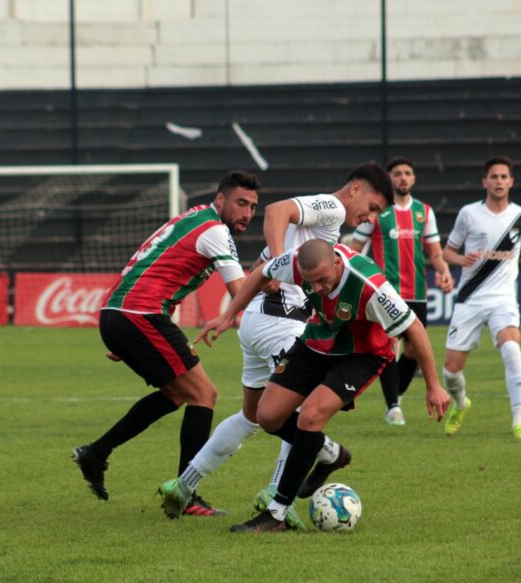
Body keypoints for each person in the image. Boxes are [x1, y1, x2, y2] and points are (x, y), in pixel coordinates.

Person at [159, 163, 393, 524]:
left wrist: (272, 262)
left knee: (253, 415)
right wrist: (281, 256)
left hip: (254, 320)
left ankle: (183, 484)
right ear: (356, 189)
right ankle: (280, 494)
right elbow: (276, 210)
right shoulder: (331, 208)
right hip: (281, 323)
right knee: (298, 413)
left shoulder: (321, 226)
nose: (370, 218)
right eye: (373, 207)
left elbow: (265, 261)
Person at [197, 239, 450, 532]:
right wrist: (229, 315)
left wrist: (433, 385)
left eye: (322, 280)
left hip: (363, 354)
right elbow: (260, 272)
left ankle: (277, 514)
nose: (316, 288)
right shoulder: (296, 262)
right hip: (318, 341)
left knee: (310, 416)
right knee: (267, 416)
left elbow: (414, 328)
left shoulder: (370, 286)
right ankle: (329, 453)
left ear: (337, 264)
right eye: (309, 282)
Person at [71, 171, 259, 516]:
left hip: (121, 312)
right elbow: (241, 291)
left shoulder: (192, 219)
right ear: (221, 200)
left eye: (252, 207)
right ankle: (185, 494)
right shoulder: (215, 230)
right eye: (240, 203)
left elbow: (152, 267)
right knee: (204, 394)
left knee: (177, 394)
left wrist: (121, 332)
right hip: (138, 314)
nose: (246, 213)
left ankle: (96, 453)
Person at [441, 157, 521, 441]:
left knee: (511, 349)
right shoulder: (469, 214)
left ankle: (519, 422)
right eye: (493, 177)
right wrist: (461, 258)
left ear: (511, 182)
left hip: (503, 299)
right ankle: (461, 404)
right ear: (485, 182)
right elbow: (447, 253)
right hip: (470, 298)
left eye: (503, 177)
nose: (499, 181)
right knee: (450, 372)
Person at [350, 157, 453, 426]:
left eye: (408, 173)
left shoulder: (424, 212)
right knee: (388, 347)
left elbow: (435, 252)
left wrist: (443, 270)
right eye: (398, 174)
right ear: (389, 178)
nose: (403, 178)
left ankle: (395, 396)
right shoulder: (376, 210)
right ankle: (393, 407)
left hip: (417, 291)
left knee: (412, 352)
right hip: (385, 292)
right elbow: (356, 247)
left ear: (414, 178)